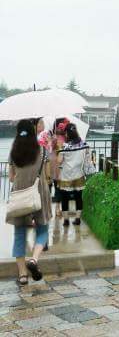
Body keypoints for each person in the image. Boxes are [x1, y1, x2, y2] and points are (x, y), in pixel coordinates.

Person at [7, 119, 52, 285]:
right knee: (43, 229)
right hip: (39, 193)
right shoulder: (42, 150)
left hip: (20, 194)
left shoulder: (13, 152)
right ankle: (34, 259)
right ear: (33, 132)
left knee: (19, 235)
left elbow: (11, 177)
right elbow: (48, 176)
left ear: (18, 133)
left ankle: (22, 275)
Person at [57, 123, 91, 227]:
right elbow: (87, 160)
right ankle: (77, 219)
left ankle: (66, 220)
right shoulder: (84, 144)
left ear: (67, 133)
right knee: (78, 198)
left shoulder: (65, 146)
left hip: (66, 176)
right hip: (79, 175)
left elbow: (59, 161)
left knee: (65, 199)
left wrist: (58, 150)